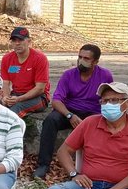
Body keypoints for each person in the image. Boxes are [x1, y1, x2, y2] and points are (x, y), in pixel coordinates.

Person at [33, 44, 113, 179]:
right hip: (69, 111)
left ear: (95, 62)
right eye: (80, 57)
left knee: (103, 125)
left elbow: (109, 99)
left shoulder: (105, 75)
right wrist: (69, 115)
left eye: (86, 58)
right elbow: (56, 101)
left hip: (93, 112)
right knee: (50, 121)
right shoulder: (68, 75)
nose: (81, 61)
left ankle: (95, 167)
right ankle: (43, 165)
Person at [1, 26, 51, 118]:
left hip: (38, 97)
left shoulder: (40, 58)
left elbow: (40, 88)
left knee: (15, 109)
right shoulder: (6, 59)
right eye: (14, 40)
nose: (17, 43)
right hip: (16, 94)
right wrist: (5, 97)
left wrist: (19, 99)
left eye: (20, 40)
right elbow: (5, 83)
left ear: (29, 42)